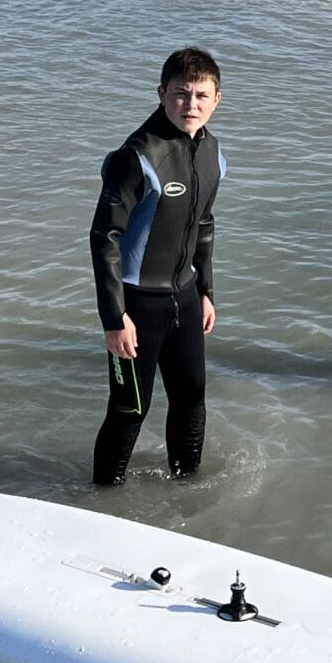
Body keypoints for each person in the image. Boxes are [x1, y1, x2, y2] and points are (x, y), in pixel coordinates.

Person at [90, 48, 226, 484]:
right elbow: (105, 237)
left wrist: (205, 291)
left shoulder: (212, 153)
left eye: (201, 95)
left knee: (191, 399)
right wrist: (114, 318)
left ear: (217, 99)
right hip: (137, 305)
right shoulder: (137, 156)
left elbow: (204, 223)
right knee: (130, 409)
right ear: (162, 93)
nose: (191, 105)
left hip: (184, 297)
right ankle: (101, 500)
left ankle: (188, 492)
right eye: (181, 94)